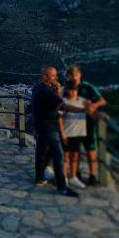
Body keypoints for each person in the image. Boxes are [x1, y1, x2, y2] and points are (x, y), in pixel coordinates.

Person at [31, 65, 81, 197]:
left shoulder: (37, 87)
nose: (56, 78)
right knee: (59, 155)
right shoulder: (47, 91)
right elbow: (62, 104)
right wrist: (83, 110)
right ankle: (62, 187)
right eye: (53, 76)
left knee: (41, 152)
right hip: (49, 126)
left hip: (39, 125)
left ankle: (40, 178)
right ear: (45, 77)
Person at [67, 65, 107, 186]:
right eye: (71, 75)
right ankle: (76, 174)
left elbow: (102, 100)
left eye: (75, 75)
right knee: (74, 151)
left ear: (80, 75)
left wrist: (94, 106)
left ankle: (92, 176)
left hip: (89, 122)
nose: (74, 77)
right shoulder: (67, 87)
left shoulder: (88, 87)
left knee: (90, 150)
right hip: (73, 123)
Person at [58, 80, 88, 189]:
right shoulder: (63, 101)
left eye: (74, 90)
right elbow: (59, 118)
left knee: (75, 156)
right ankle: (64, 177)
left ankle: (73, 176)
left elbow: (91, 110)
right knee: (65, 157)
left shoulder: (83, 101)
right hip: (67, 133)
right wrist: (62, 133)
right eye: (70, 90)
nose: (72, 92)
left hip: (78, 133)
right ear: (67, 90)